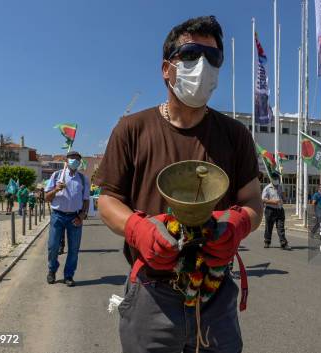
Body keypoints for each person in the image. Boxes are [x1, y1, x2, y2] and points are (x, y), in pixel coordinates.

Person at [96, 16, 262, 353]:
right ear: (166, 68)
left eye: (213, 58)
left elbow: (253, 202)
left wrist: (239, 223)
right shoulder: (132, 129)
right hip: (151, 294)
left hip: (216, 295)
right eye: (190, 55)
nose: (202, 66)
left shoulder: (236, 135)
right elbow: (107, 198)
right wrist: (138, 230)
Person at [45, 151, 90, 287]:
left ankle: (69, 275)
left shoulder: (83, 179)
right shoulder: (57, 175)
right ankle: (52, 270)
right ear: (66, 160)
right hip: (57, 215)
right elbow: (47, 197)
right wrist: (56, 189)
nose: (75, 161)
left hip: (74, 217)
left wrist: (82, 216)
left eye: (77, 159)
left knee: (74, 249)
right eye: (72, 159)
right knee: (53, 247)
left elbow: (86, 200)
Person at [261, 172, 291, 250]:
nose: (276, 180)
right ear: (272, 179)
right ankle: (267, 241)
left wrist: (284, 195)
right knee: (269, 226)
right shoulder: (267, 188)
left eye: (277, 179)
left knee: (281, 227)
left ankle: (283, 243)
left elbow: (284, 198)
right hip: (270, 210)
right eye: (274, 179)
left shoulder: (281, 187)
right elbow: (263, 199)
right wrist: (272, 201)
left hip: (280, 209)